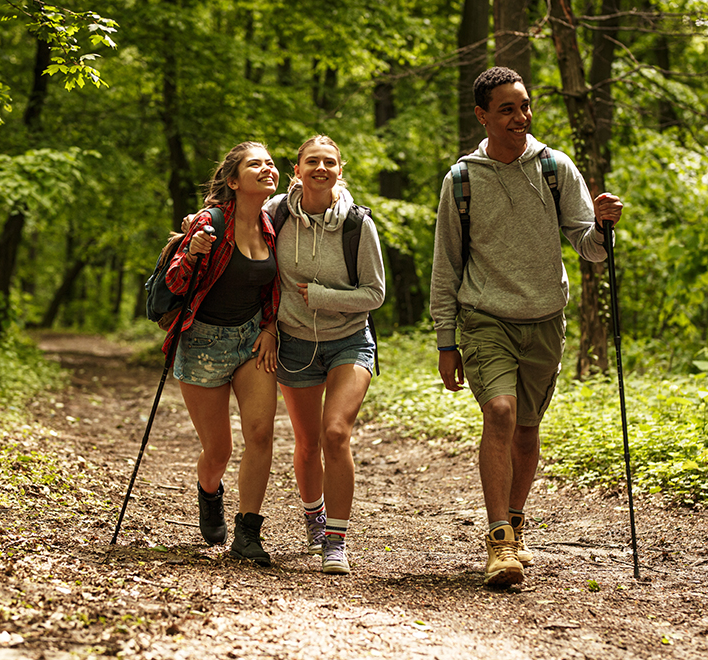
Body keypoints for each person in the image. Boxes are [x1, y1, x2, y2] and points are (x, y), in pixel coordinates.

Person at [429, 68, 624, 587]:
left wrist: (603, 226)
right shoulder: (461, 180)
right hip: (484, 316)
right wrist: (446, 340)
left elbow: (587, 246)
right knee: (499, 411)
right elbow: (446, 264)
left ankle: (515, 520)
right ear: (483, 116)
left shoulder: (556, 168)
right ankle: (498, 542)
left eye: (525, 106)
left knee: (527, 428)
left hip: (543, 319)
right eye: (508, 109)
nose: (521, 117)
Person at [262, 135, 386, 575]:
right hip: (294, 343)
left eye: (329, 162)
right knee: (307, 441)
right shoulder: (274, 215)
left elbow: (375, 293)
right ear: (296, 170)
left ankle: (336, 539)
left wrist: (321, 295)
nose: (320, 167)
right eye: (311, 161)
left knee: (335, 434)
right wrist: (270, 328)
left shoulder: (357, 224)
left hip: (350, 339)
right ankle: (313, 516)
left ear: (340, 169)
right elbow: (254, 265)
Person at [163, 141, 282, 566]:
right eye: (256, 164)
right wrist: (191, 253)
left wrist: (269, 326)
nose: (268, 168)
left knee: (262, 433)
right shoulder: (209, 223)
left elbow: (274, 286)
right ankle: (209, 492)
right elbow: (175, 286)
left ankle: (248, 533)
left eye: (270, 163)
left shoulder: (272, 224)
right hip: (202, 345)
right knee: (219, 451)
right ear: (233, 180)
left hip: (252, 342)